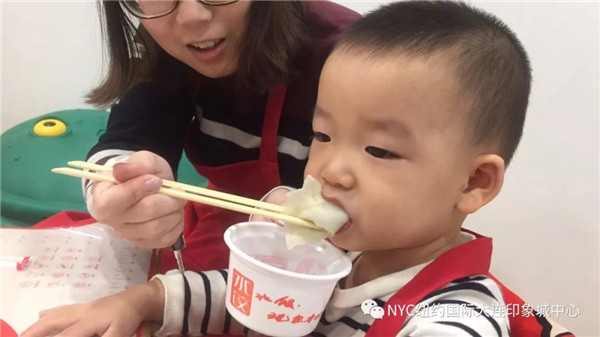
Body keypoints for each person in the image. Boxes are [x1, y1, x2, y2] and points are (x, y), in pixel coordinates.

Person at [22, 2, 575, 336]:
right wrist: (140, 300)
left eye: (378, 152)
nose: (330, 170)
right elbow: (253, 296)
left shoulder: (454, 312)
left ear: (474, 183)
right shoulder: (345, 256)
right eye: (322, 135)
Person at [83, 0, 360, 273]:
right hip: (222, 224)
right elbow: (129, 139)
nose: (192, 16)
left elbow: (392, 204)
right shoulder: (164, 45)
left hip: (339, 250)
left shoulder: (353, 53)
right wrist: (115, 190)